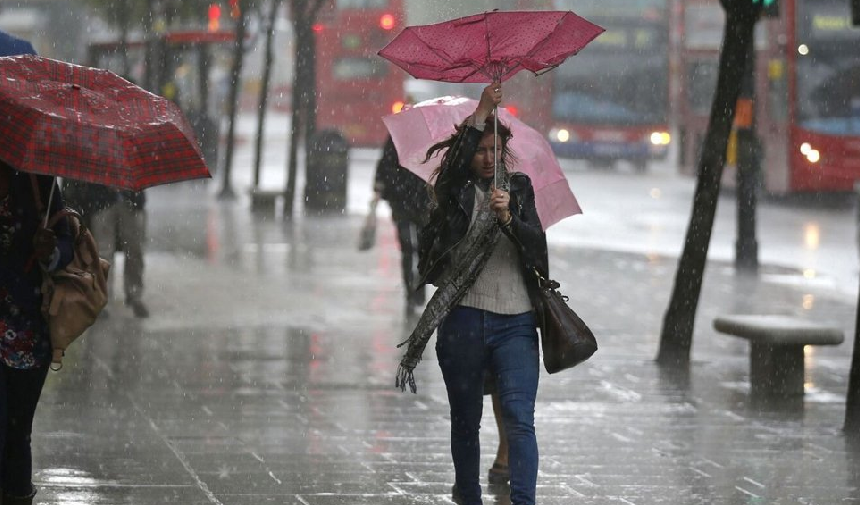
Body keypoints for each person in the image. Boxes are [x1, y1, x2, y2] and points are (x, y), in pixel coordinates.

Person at [397, 82, 548, 505]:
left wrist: (510, 220)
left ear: (504, 153)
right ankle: (468, 495)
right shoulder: (455, 192)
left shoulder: (518, 190)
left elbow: (538, 249)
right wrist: (481, 112)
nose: (487, 158)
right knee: (466, 421)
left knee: (519, 420)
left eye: (493, 151)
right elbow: (454, 169)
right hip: (463, 319)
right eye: (480, 150)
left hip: (516, 323)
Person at [0, 160, 74, 504]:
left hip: (25, 327)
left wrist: (51, 250)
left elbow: (65, 240)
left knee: (17, 429)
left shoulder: (37, 180)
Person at [63, 182, 149, 318]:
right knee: (103, 253)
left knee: (134, 250)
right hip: (102, 200)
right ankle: (104, 299)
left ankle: (134, 295)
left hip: (131, 198)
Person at [373, 134, 432, 317]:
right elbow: (384, 165)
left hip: (423, 202)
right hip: (402, 202)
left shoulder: (430, 140)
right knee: (407, 246)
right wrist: (382, 186)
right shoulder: (396, 138)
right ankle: (409, 291)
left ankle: (419, 284)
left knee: (424, 248)